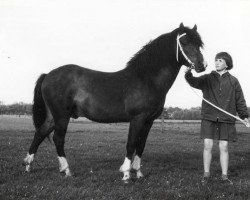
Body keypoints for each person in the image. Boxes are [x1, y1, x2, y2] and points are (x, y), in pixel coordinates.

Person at [185, 52, 249, 184]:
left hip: (226, 118)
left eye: (220, 60)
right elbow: (193, 81)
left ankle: (224, 176)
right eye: (216, 60)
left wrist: (244, 116)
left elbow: (240, 100)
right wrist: (188, 73)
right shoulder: (208, 78)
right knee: (207, 145)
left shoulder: (233, 81)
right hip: (209, 117)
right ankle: (206, 175)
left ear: (227, 63)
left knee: (224, 147)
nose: (217, 62)